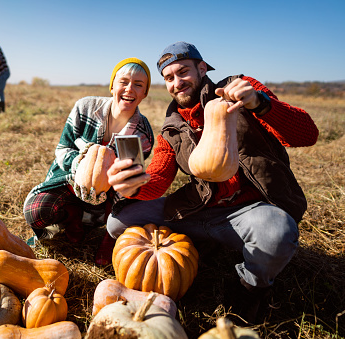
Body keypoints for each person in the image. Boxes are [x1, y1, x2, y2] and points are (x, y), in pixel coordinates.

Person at [106, 42, 319, 323]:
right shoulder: (172, 126)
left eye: (183, 72)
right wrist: (135, 185)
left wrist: (261, 103)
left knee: (276, 234)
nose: (177, 83)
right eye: (169, 78)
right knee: (118, 221)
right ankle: (205, 243)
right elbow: (159, 176)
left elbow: (307, 134)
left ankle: (249, 288)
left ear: (202, 68)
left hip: (253, 209)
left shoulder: (241, 91)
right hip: (201, 208)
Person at [23, 58, 154, 265]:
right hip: (69, 179)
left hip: (109, 192)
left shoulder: (141, 132)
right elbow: (62, 149)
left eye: (138, 85)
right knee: (37, 211)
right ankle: (73, 219)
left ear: (145, 93)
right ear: (112, 86)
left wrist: (116, 178)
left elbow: (129, 178)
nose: (130, 89)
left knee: (127, 201)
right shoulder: (85, 107)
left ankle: (109, 236)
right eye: (124, 82)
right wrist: (81, 165)